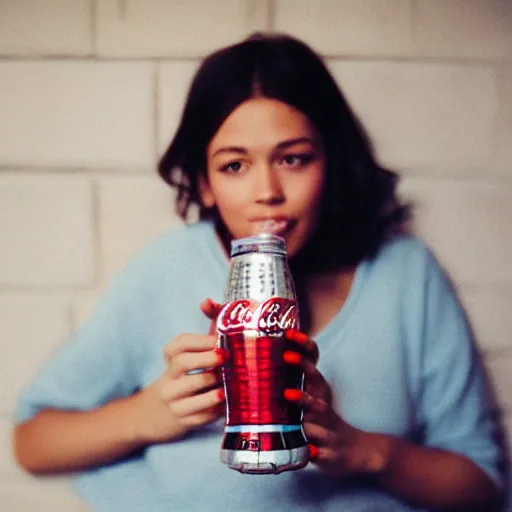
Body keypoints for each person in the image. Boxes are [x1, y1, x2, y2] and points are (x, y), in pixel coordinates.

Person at [13, 33, 505, 511]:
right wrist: (151, 414)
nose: (266, 190)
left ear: (330, 163)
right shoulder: (165, 267)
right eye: (234, 166)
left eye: (293, 159)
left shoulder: (404, 273)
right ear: (203, 183)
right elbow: (33, 443)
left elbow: (482, 486)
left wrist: (362, 451)